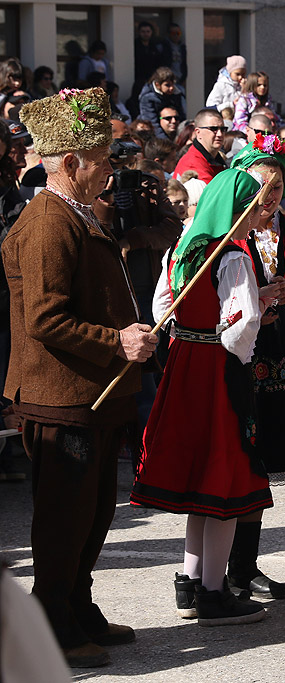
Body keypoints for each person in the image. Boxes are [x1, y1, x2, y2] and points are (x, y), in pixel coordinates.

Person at [7, 87, 157, 667]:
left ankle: (76, 606)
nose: (110, 170)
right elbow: (46, 317)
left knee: (93, 513)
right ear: (70, 162)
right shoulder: (48, 220)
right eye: (103, 158)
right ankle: (51, 627)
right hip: (59, 396)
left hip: (89, 394)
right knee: (65, 519)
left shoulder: (74, 213)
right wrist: (115, 341)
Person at [130, 169, 271, 627]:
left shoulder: (182, 249)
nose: (256, 217)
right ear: (237, 209)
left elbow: (159, 308)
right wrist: (237, 353)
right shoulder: (232, 256)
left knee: (198, 481)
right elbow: (243, 322)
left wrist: (187, 336)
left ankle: (190, 583)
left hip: (184, 365)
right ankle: (214, 593)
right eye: (252, 207)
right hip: (216, 371)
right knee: (223, 478)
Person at [223, 137, 285, 598]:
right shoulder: (227, 229)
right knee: (237, 455)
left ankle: (243, 565)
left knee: (261, 460)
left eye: (278, 188)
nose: (270, 199)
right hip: (235, 354)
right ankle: (213, 570)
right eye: (262, 188)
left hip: (278, 353)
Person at [173, 108, 227, 183]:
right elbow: (213, 193)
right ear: (198, 132)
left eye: (223, 129)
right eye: (213, 129)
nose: (220, 134)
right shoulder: (193, 164)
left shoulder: (214, 158)